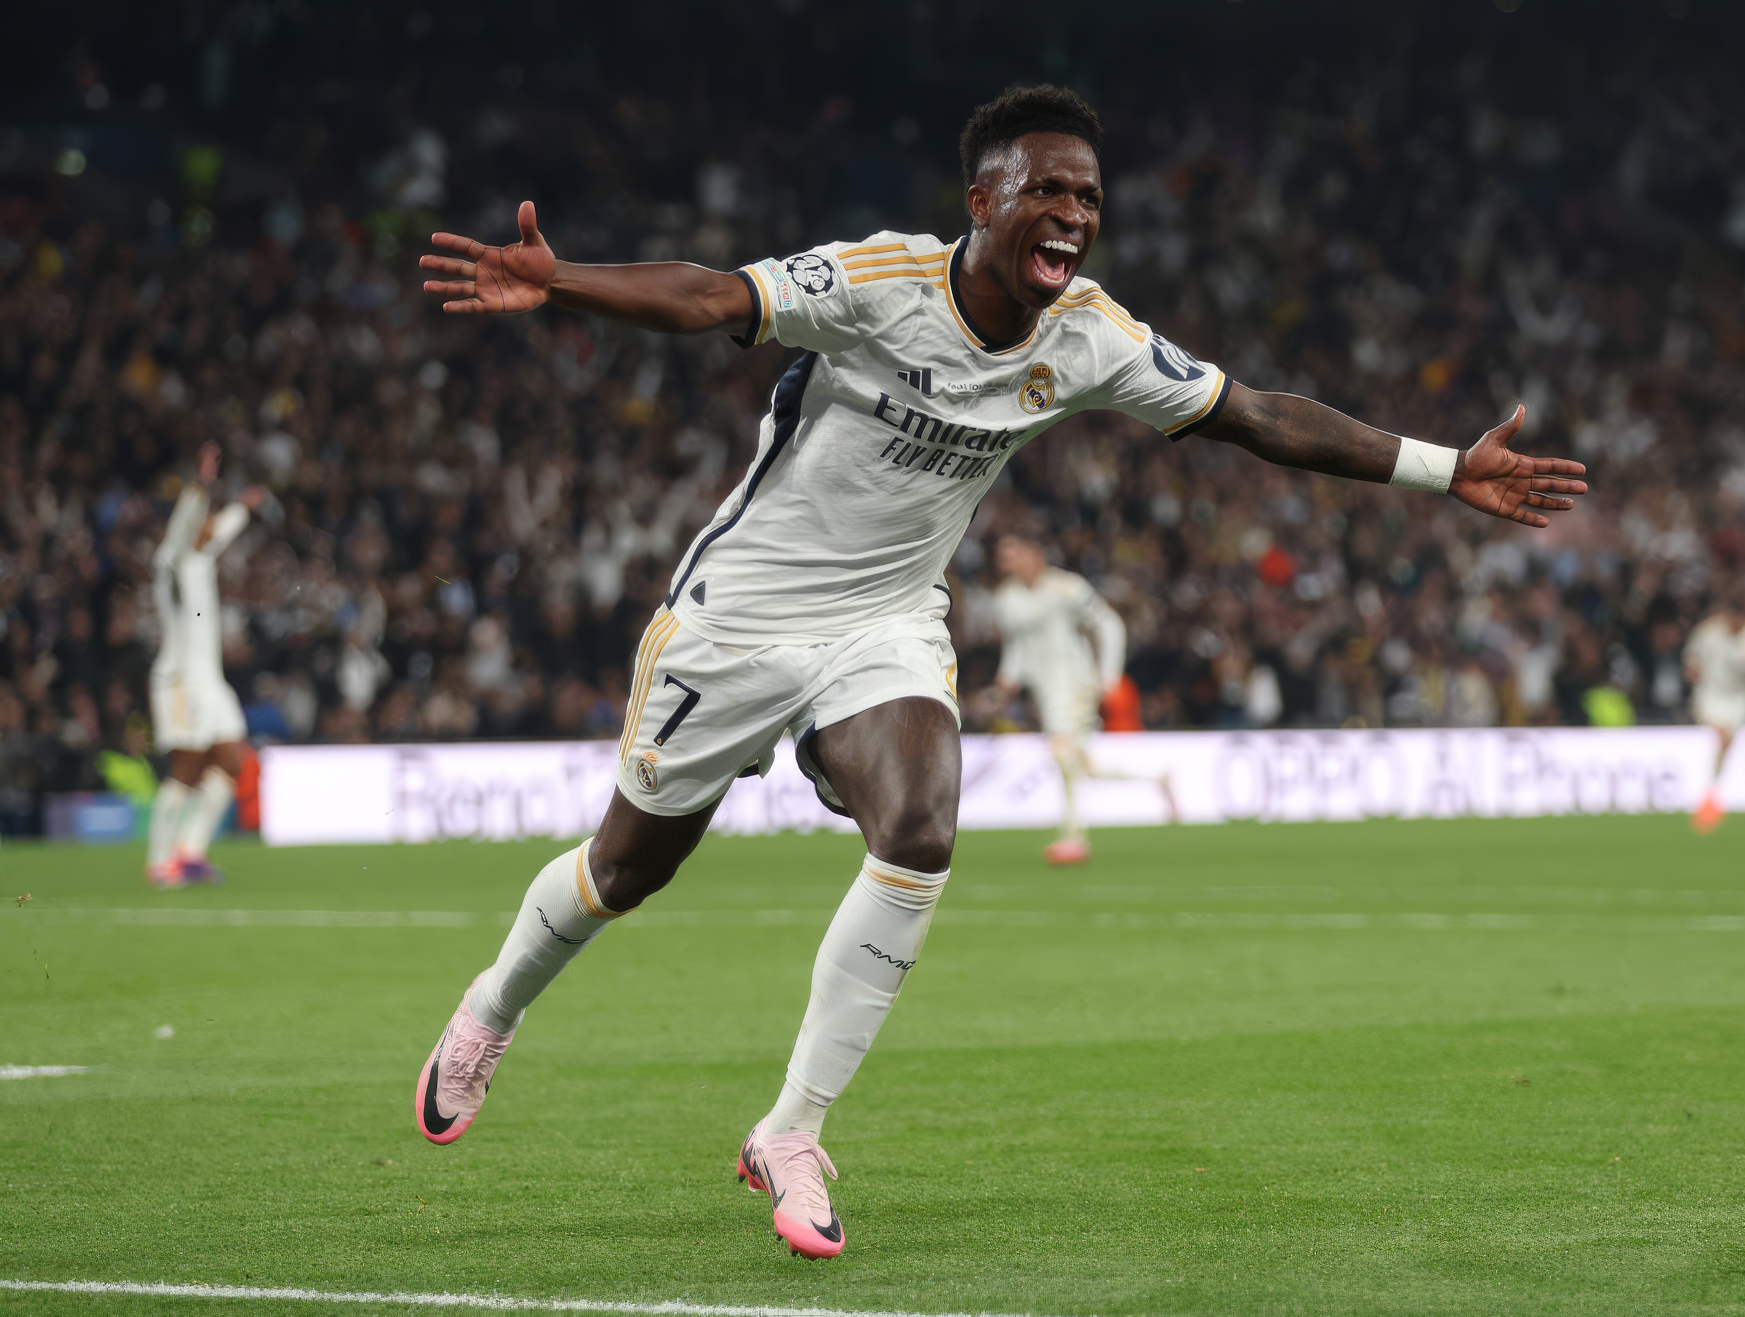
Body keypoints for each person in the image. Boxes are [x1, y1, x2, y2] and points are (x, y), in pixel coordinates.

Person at [412, 84, 1587, 1259]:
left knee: (921, 831)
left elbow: (1256, 414)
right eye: (1049, 189)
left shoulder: (1090, 335)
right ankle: (490, 1009)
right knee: (626, 870)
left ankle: (792, 1131)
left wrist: (1447, 469)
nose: (1075, 213)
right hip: (741, 619)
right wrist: (562, 282)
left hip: (886, 623)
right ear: (982, 203)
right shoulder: (878, 284)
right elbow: (716, 296)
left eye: (1090, 196)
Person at [991, 533, 1171, 863]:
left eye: (1015, 554)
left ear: (1035, 554)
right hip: (1046, 693)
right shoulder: (1006, 600)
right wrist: (1007, 678)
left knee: (1062, 754)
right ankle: (1157, 779)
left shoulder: (1067, 588)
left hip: (1076, 686)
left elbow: (1108, 623)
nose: (1008, 562)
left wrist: (1109, 675)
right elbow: (1016, 645)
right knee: (1083, 766)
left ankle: (1073, 837)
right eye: (1003, 556)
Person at [146, 442, 265, 887]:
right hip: (179, 681)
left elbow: (214, 533)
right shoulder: (171, 561)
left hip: (209, 680)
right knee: (187, 770)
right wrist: (199, 486)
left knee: (232, 763)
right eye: (203, 520)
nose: (207, 528)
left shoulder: (200, 557)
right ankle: (159, 862)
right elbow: (187, 526)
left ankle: (190, 851)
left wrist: (243, 508)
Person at [1683, 588, 1745, 833]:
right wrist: (1694, 671)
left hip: (1741, 698)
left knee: (1726, 742)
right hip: (1711, 693)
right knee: (1722, 736)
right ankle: (1709, 795)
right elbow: (1691, 664)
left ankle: (1710, 794)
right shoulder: (1708, 632)